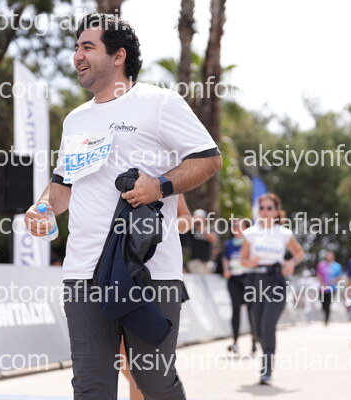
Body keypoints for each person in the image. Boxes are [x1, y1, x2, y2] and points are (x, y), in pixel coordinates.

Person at [25, 13, 221, 400]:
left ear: (118, 55)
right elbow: (62, 184)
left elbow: (209, 159)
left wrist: (160, 185)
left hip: (147, 272)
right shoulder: (76, 120)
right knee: (91, 387)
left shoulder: (159, 103)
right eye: (76, 47)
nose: (77, 55)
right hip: (83, 272)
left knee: (153, 382)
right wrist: (42, 207)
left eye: (88, 47)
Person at [120, 194, 191, 400]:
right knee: (123, 359)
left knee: (147, 367)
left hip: (160, 274)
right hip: (115, 271)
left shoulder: (168, 177)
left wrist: (163, 226)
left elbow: (185, 217)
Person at [241, 193, 304, 385]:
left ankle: (266, 369)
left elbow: (299, 252)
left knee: (268, 325)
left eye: (269, 208)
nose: (265, 212)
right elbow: (243, 260)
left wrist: (292, 262)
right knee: (257, 329)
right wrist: (250, 262)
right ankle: (266, 351)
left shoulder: (283, 233)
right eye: (262, 208)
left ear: (276, 211)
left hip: (276, 281)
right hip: (255, 281)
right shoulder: (250, 233)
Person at [222, 218, 256, 355]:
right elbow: (225, 258)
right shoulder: (228, 244)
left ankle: (254, 341)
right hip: (234, 280)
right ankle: (235, 342)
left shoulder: (250, 243)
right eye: (235, 226)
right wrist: (226, 269)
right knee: (235, 310)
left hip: (248, 278)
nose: (237, 229)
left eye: (241, 226)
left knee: (251, 310)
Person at [186, 209, 217, 274]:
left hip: (207, 261)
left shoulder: (209, 229)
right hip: (194, 260)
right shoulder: (192, 229)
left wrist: (203, 229)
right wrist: (192, 222)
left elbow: (213, 239)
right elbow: (184, 229)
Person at [316, 251, 342, 326]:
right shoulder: (321, 265)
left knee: (328, 304)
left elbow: (340, 277)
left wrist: (335, 280)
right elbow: (318, 275)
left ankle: (326, 320)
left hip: (332, 288)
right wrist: (322, 283)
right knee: (323, 304)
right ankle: (325, 316)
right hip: (322, 288)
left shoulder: (337, 266)